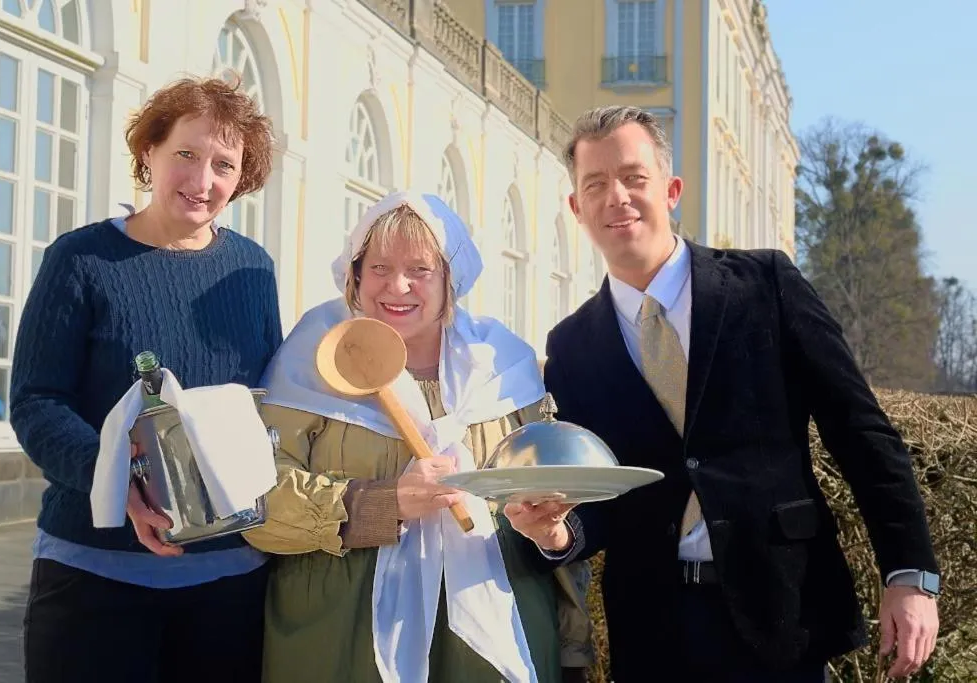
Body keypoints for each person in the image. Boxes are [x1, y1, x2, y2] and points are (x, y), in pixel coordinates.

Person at [502, 105, 940, 682]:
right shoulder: (572, 346)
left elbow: (860, 432)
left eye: (635, 178)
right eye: (596, 184)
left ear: (672, 190)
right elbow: (603, 496)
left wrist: (909, 574)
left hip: (785, 617)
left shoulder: (767, 286)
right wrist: (560, 533)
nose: (618, 197)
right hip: (653, 634)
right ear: (576, 208)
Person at [242, 191, 591, 682]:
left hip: (494, 635)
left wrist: (553, 541)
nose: (397, 286)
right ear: (355, 274)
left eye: (421, 270)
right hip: (342, 635)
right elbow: (253, 501)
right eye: (379, 267)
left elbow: (560, 510)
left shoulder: (503, 368)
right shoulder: (313, 361)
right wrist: (383, 503)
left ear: (451, 279)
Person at [9, 76, 281, 683]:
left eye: (224, 165)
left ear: (242, 179)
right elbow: (36, 401)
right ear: (149, 152)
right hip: (94, 572)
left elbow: (266, 401)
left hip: (229, 581)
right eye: (185, 153)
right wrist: (111, 477)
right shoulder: (80, 260)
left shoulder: (253, 271)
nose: (202, 179)